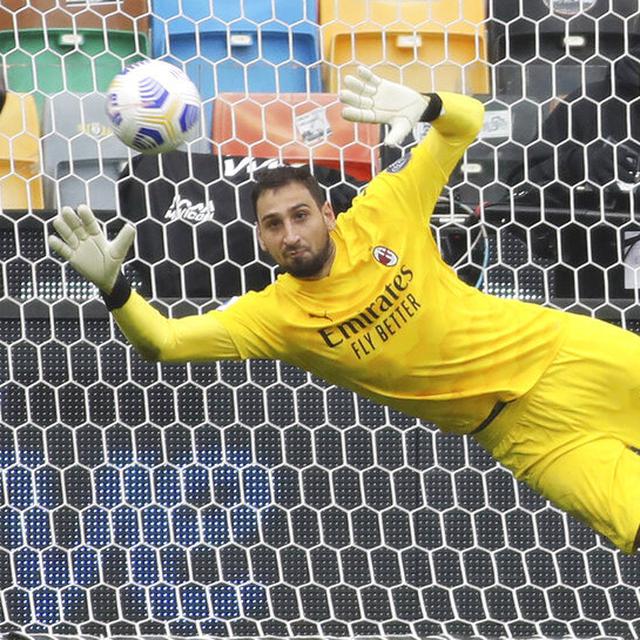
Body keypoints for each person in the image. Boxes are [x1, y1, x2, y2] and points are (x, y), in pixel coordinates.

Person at [48, 67, 640, 555]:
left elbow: (467, 124)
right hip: (525, 435)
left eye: (300, 215)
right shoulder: (274, 316)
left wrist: (427, 104)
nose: (290, 234)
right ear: (260, 239)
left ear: (328, 215)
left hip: (568, 354)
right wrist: (114, 287)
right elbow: (164, 343)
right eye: (272, 225)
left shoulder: (385, 211)